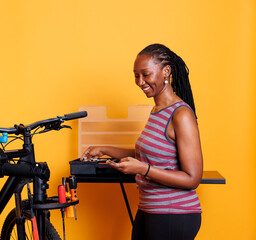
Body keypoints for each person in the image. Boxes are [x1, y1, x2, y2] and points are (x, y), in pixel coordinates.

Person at [81, 44, 203, 240]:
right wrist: (104, 149)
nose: (140, 81)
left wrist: (143, 169)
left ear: (166, 72)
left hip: (174, 213)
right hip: (149, 209)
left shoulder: (181, 115)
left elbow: (192, 178)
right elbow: (146, 155)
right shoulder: (156, 111)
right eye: (136, 76)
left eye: (146, 74)